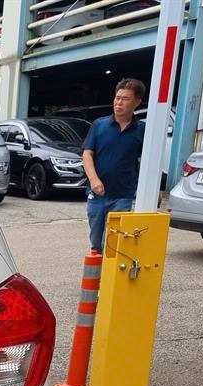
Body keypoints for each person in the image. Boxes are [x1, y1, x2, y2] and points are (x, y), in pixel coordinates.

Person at [82, 78, 146, 254]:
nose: (119, 103)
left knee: (113, 242)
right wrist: (94, 180)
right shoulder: (99, 125)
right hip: (98, 194)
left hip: (123, 195)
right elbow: (87, 154)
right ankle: (96, 270)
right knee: (96, 242)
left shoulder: (142, 130)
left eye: (125, 99)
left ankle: (108, 272)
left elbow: (147, 161)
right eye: (117, 98)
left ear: (137, 102)